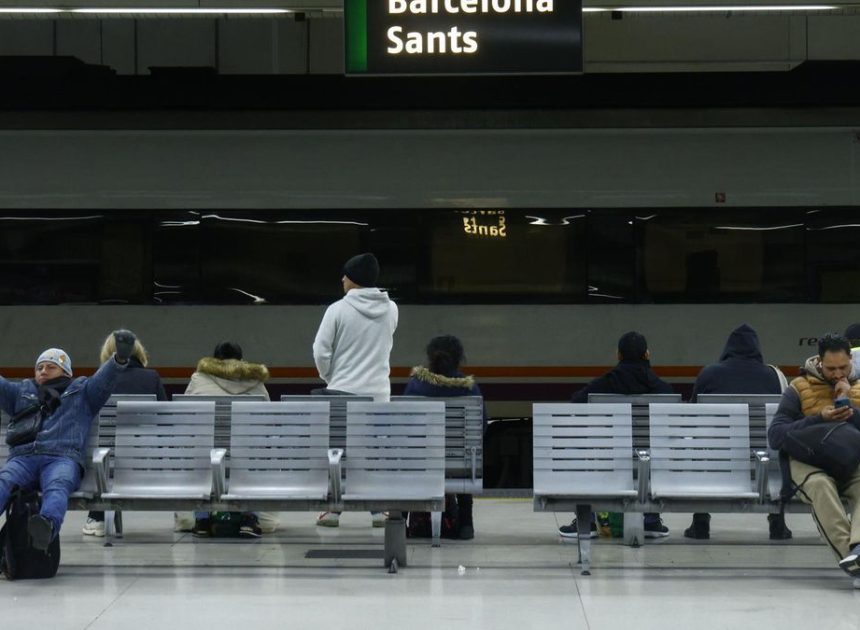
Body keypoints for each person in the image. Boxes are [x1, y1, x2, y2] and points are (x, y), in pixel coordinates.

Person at [0, 331, 134, 551]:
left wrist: (118, 359)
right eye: (39, 367)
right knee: (4, 481)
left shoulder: (82, 391)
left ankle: (46, 526)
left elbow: (104, 380)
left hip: (61, 458)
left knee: (57, 485)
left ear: (66, 371)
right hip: (23, 458)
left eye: (50, 366)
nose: (43, 370)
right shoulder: (22, 391)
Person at [312, 252, 398, 528]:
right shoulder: (391, 309)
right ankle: (378, 510)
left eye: (346, 275)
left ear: (355, 280)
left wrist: (331, 378)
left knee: (338, 453)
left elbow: (320, 351)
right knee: (373, 452)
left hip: (342, 392)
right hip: (378, 395)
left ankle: (333, 510)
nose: (342, 279)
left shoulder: (337, 309)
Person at [768, 333, 860, 587]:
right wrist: (819, 417)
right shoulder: (798, 387)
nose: (837, 374)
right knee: (821, 487)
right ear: (819, 362)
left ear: (850, 360)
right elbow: (776, 435)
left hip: (852, 457)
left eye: (843, 367)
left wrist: (849, 407)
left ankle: (859, 552)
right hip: (808, 459)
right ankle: (853, 559)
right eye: (831, 369)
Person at [560, 331, 672, 539]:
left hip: (607, 460)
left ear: (619, 356)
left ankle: (587, 521)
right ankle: (651, 520)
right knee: (657, 453)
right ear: (647, 355)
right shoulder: (663, 390)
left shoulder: (603, 384)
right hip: (648, 461)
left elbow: (574, 405)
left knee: (581, 451)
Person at [684, 323, 792, 540]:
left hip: (716, 460)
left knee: (701, 445)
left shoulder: (709, 373)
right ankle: (777, 521)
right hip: (763, 457)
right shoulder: (774, 375)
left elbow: (692, 417)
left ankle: (701, 521)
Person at [182, 340, 275, 538]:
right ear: (242, 360)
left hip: (206, 452)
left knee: (198, 453)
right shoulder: (257, 382)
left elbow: (186, 417)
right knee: (253, 455)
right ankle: (249, 519)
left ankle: (202, 520)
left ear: (214, 360)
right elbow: (268, 423)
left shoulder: (198, 379)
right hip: (246, 454)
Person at [83, 331, 168, 538]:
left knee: (101, 450)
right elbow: (165, 421)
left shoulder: (95, 381)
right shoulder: (151, 378)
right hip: (143, 461)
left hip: (101, 462)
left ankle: (98, 517)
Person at [402, 335, 484, 540]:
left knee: (407, 457)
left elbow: (403, 428)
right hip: (460, 466)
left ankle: (400, 521)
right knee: (465, 455)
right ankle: (466, 523)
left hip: (419, 463)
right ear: (460, 359)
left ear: (430, 358)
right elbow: (481, 427)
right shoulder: (470, 389)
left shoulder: (415, 386)